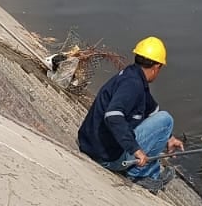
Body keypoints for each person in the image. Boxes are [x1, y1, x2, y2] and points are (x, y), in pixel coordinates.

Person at [76, 37, 185, 192]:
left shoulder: (131, 75)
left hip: (90, 144)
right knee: (166, 119)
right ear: (157, 67)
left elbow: (152, 110)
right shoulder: (133, 85)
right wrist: (135, 149)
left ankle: (143, 169)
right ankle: (142, 175)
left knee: (161, 121)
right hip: (106, 157)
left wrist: (169, 137)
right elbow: (113, 116)